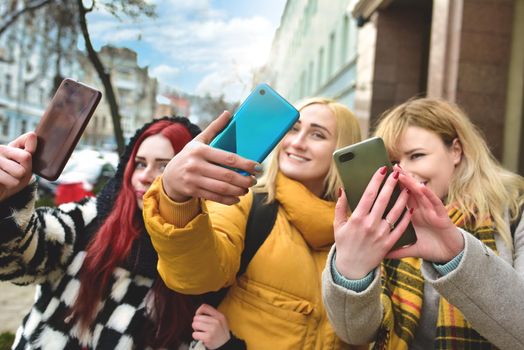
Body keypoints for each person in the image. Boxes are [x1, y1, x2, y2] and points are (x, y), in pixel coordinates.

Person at [142, 98, 367, 350]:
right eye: (293, 128)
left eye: (317, 134)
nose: (297, 142)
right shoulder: (246, 201)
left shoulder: (361, 232)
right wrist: (175, 198)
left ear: (343, 148)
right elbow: (196, 276)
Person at [0, 116, 242, 349]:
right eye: (140, 163)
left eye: (165, 166)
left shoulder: (201, 254)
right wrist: (10, 200)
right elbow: (19, 258)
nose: (146, 177)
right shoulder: (88, 218)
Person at [322, 98, 524, 349]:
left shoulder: (516, 210)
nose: (403, 172)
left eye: (416, 156)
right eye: (393, 162)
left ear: (456, 151)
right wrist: (351, 274)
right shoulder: (382, 225)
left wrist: (456, 254)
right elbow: (353, 333)